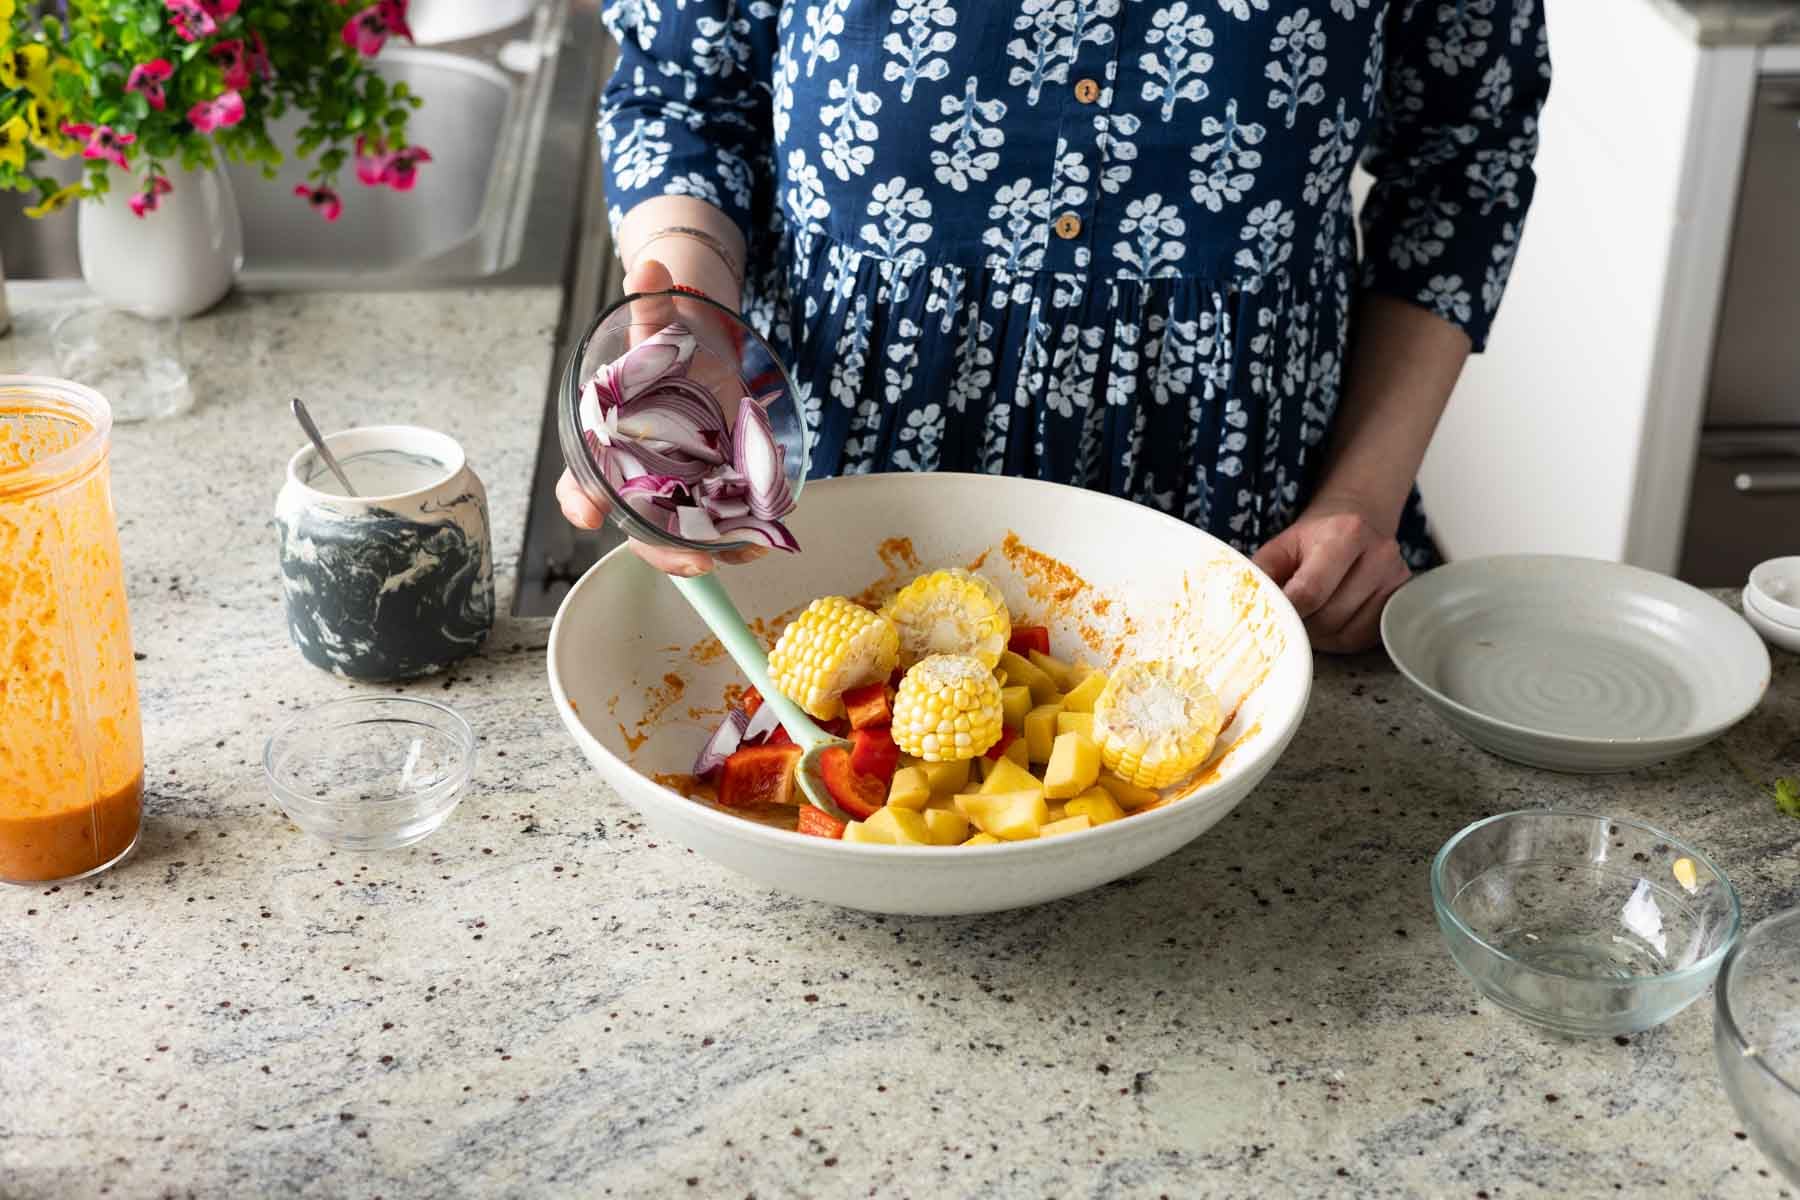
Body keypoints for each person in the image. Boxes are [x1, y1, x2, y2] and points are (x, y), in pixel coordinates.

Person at [559, 1, 1549, 653]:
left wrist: (1364, 500)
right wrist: (687, 313)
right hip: (838, 505)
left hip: (1259, 529)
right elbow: (689, 92)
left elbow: (1467, 166)